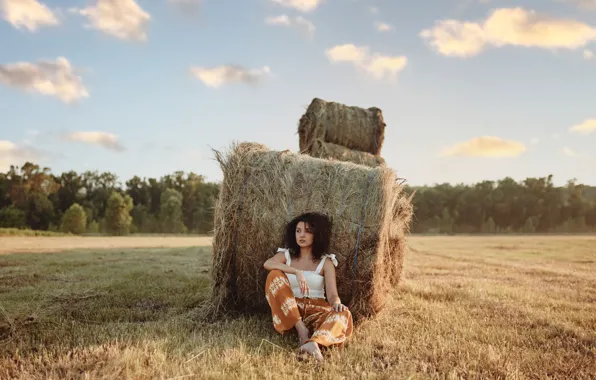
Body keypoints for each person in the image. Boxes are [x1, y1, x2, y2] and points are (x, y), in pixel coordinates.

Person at [263, 212, 353, 361]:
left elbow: (331, 294)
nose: (301, 235)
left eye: (307, 231)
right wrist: (296, 272)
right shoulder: (287, 256)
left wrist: (337, 304)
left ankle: (313, 343)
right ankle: (301, 329)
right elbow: (268, 264)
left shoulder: (326, 262)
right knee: (273, 275)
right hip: (290, 308)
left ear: (317, 234)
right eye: (298, 231)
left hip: (316, 309)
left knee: (344, 314)